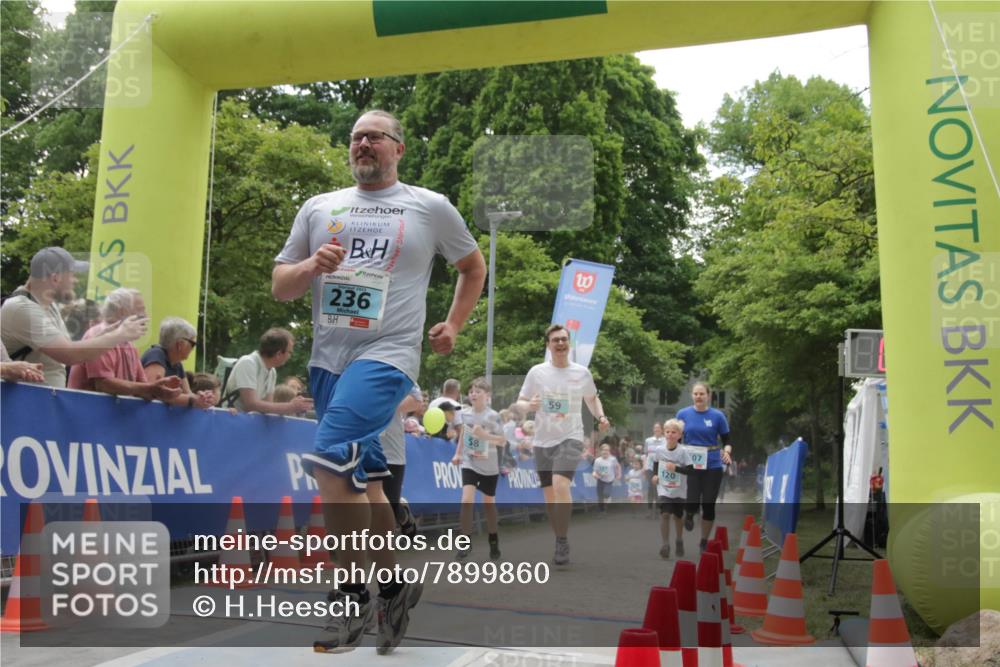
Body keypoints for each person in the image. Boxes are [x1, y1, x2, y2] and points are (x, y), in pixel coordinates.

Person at [271, 109, 485, 654]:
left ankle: (349, 597)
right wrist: (310, 267)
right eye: (356, 137)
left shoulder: (429, 206)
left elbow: (472, 267)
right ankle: (392, 589)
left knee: (328, 461)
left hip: (387, 355)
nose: (363, 143)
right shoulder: (320, 207)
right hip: (328, 362)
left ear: (398, 148)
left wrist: (454, 325)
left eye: (374, 137)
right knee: (365, 482)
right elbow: (281, 286)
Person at [517, 323, 609, 565]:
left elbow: (592, 399)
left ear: (569, 344)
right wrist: (529, 406)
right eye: (555, 340)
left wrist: (601, 417)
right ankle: (559, 536)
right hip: (542, 440)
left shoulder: (581, 373)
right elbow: (521, 402)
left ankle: (562, 540)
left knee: (560, 484)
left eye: (563, 339)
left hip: (571, 437)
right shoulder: (537, 372)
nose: (560, 343)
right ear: (548, 345)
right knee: (550, 497)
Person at [1, 247, 148, 387]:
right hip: (23, 402)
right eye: (72, 275)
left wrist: (105, 334)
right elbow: (69, 354)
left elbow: (72, 349)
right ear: (55, 278)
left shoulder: (47, 305)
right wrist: (119, 335)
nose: (75, 281)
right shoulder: (22, 308)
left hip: (37, 400)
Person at [66, 288, 183, 402]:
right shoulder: (100, 336)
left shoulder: (129, 345)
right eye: (141, 310)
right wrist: (150, 388)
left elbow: (142, 388)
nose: (146, 315)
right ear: (123, 312)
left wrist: (159, 391)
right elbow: (103, 384)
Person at [451, 377, 505, 560]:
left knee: (489, 505)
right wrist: (458, 453)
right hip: (470, 462)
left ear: (487, 395)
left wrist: (484, 435)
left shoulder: (493, 416)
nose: (473, 394)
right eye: (471, 391)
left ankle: (493, 539)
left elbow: (502, 441)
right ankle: (465, 542)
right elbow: (463, 434)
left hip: (489, 465)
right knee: (466, 500)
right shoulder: (465, 414)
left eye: (478, 391)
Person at [677, 382, 732, 552]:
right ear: (692, 395)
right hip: (691, 462)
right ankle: (690, 513)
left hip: (712, 463)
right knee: (692, 498)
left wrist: (727, 452)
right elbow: (676, 439)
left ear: (708, 396)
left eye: (702, 394)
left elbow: (727, 440)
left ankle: (703, 541)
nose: (698, 397)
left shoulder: (717, 416)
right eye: (696, 394)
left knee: (708, 503)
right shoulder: (683, 414)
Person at [221, 327, 312, 416]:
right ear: (278, 354)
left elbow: (268, 407)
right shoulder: (248, 363)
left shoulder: (272, 371)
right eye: (290, 352)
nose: (290, 356)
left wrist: (295, 407)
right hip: (230, 421)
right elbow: (251, 405)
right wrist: (290, 407)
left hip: (248, 422)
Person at [142, 317, 215, 409]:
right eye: (193, 344)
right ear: (180, 344)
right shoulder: (156, 355)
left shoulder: (177, 363)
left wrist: (202, 398)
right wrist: (194, 400)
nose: (193, 349)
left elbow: (188, 394)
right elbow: (151, 392)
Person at [647, 418, 694, 559]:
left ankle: (679, 540)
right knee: (665, 514)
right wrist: (655, 475)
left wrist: (676, 468)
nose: (670, 434)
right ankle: (665, 544)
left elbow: (691, 470)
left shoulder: (683, 451)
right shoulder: (659, 450)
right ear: (664, 433)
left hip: (679, 490)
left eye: (674, 432)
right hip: (664, 488)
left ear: (679, 435)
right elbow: (656, 464)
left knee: (678, 516)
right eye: (667, 432)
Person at [592, 443, 620, 514]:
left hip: (609, 480)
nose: (605, 452)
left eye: (607, 450)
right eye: (604, 450)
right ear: (601, 451)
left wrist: (619, 474)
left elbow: (618, 466)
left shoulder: (613, 459)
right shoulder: (597, 460)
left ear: (609, 451)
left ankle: (608, 497)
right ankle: (602, 510)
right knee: (600, 496)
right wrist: (595, 475)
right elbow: (595, 471)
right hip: (600, 480)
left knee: (606, 493)